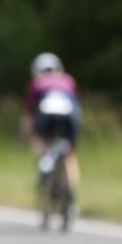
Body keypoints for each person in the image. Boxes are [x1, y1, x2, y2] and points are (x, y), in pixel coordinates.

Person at [21, 52, 82, 214]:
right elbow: (76, 105)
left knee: (42, 145)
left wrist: (24, 137)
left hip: (47, 115)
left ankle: (45, 165)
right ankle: (71, 201)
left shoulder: (37, 82)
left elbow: (29, 115)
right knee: (69, 156)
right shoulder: (68, 79)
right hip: (70, 116)